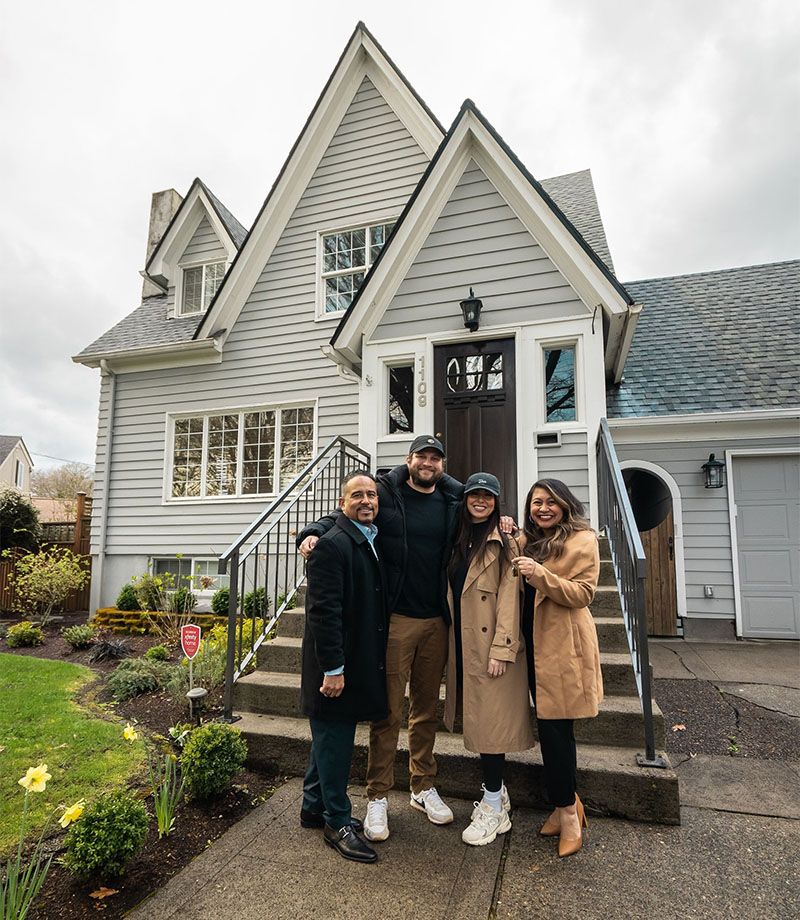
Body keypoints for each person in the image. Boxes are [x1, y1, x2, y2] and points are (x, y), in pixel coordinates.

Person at [298, 435, 462, 841]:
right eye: (421, 456)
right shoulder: (385, 494)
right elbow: (348, 512)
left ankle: (423, 786)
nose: (428, 463)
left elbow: (483, 507)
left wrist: (507, 519)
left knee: (425, 709)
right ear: (408, 461)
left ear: (442, 465)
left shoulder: (452, 498)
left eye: (435, 458)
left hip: (436, 621)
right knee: (387, 711)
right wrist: (311, 531)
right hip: (396, 621)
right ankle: (377, 796)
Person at [299, 471, 388, 863]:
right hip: (334, 663)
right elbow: (323, 613)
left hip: (353, 657)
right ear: (342, 504)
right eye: (357, 495)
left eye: (371, 494)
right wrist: (332, 668)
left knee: (328, 738)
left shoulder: (367, 538)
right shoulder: (332, 546)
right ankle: (337, 821)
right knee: (335, 739)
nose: (366, 501)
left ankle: (312, 805)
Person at [511, 478, 602, 858]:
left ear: (565, 504)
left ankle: (567, 812)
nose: (542, 508)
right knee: (550, 729)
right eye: (536, 503)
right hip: (531, 647)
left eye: (550, 502)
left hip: (563, 647)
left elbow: (583, 594)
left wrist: (540, 574)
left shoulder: (583, 540)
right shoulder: (528, 541)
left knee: (556, 731)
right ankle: (565, 804)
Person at [444, 473, 535, 846]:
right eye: (474, 494)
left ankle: (494, 804)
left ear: (498, 501)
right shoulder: (457, 537)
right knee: (481, 721)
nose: (480, 500)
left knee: (491, 726)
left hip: (492, 647)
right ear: (465, 498)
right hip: (463, 643)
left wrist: (503, 648)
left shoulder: (507, 540)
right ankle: (496, 795)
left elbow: (512, 596)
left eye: (488, 496)